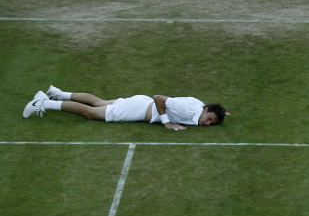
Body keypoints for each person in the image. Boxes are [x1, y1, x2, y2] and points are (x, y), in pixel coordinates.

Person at [23, 85, 230, 130]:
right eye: (210, 118)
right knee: (91, 113)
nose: (208, 124)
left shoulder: (199, 105)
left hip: (139, 103)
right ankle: (44, 103)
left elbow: (206, 109)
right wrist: (167, 123)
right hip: (138, 110)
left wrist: (222, 112)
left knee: (99, 102)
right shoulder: (187, 110)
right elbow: (159, 97)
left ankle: (54, 92)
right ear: (205, 110)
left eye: (212, 123)